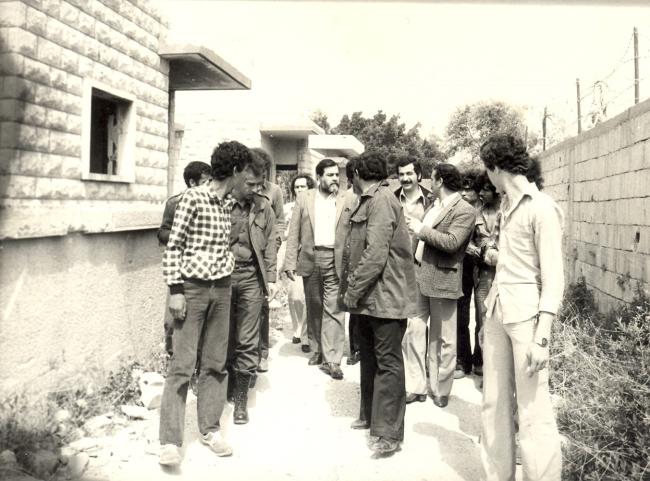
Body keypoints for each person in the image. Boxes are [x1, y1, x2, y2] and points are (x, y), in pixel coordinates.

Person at [158, 141, 259, 466]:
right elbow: (174, 246)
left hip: (222, 289)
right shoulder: (193, 198)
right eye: (245, 172)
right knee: (182, 365)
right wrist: (175, 290)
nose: (248, 179)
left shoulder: (228, 204)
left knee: (216, 363)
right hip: (192, 290)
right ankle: (170, 442)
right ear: (234, 170)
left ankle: (210, 429)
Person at [478, 134, 564, 481]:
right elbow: (508, 266)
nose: (488, 180)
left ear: (496, 168)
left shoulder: (541, 207)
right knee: (493, 404)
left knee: (532, 410)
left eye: (488, 171)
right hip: (499, 312)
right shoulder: (507, 207)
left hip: (527, 320)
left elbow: (554, 278)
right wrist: (488, 316)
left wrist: (542, 337)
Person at [338, 151, 416, 455]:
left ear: (357, 173)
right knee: (369, 357)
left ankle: (389, 434)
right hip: (370, 299)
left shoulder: (381, 200)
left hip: (385, 298)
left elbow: (375, 254)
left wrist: (352, 291)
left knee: (388, 363)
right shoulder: (369, 200)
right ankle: (371, 417)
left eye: (350, 177)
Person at [402, 163, 476, 407]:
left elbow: (452, 242)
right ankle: (416, 386)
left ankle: (440, 389)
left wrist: (420, 229)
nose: (429, 184)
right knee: (413, 330)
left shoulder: (465, 210)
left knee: (443, 338)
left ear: (441, 181)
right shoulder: (434, 206)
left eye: (432, 179)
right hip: (420, 273)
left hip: (443, 278)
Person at [225, 153, 277, 425]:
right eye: (251, 183)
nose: (257, 189)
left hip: (250, 279)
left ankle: (241, 400)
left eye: (260, 184)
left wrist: (270, 279)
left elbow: (270, 244)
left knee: (248, 339)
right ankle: (225, 384)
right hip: (221, 277)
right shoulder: (220, 204)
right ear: (237, 176)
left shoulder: (264, 207)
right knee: (223, 335)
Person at [284, 158, 347, 379]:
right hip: (311, 258)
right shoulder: (304, 199)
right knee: (314, 305)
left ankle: (333, 359)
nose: (335, 179)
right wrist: (290, 262)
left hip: (335, 259)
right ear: (319, 177)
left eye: (337, 175)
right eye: (330, 175)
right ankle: (317, 349)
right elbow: (293, 233)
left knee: (334, 307)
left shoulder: (345, 198)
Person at [158, 161, 211, 356]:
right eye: (205, 182)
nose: (210, 186)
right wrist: (184, 234)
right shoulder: (175, 202)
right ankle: (172, 358)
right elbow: (162, 233)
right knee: (172, 321)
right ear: (191, 182)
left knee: (201, 322)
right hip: (179, 271)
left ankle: (196, 364)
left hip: (202, 271)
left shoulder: (213, 203)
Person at [251, 148, 285, 374]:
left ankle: (262, 351)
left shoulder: (274, 191)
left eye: (264, 172)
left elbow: (280, 220)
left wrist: (276, 240)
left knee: (262, 306)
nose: (261, 177)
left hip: (265, 253)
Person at [280, 173, 315, 353]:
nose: (300, 190)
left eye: (303, 186)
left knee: (306, 297)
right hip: (293, 255)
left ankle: (306, 336)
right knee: (294, 296)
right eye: (297, 187)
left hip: (309, 257)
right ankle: (297, 328)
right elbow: (284, 235)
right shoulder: (288, 208)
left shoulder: (315, 206)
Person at [455, 170, 483, 379]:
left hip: (483, 267)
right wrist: (466, 248)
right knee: (461, 314)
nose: (465, 193)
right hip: (463, 265)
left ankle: (479, 360)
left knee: (482, 315)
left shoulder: (486, 210)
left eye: (469, 189)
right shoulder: (458, 210)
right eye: (462, 189)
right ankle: (462, 361)